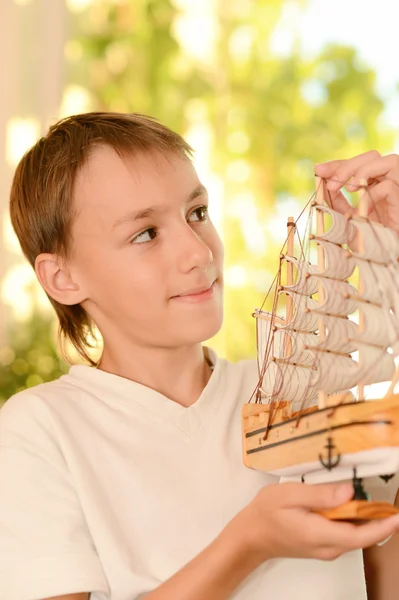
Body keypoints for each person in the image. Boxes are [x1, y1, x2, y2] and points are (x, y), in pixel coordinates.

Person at [1, 112, 399, 600]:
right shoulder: (41, 430)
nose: (198, 252)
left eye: (197, 213)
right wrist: (247, 545)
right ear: (63, 278)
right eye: (145, 233)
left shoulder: (307, 389)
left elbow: (382, 574)